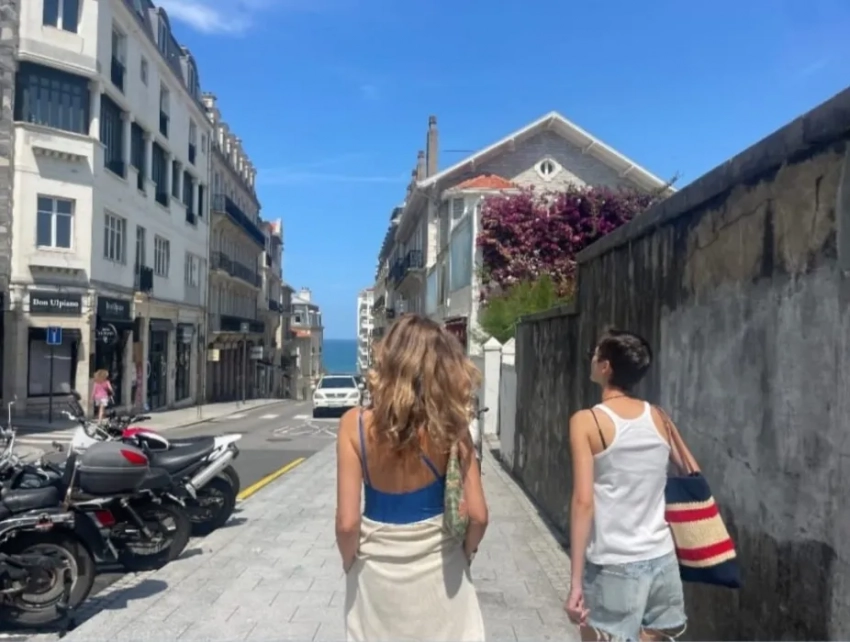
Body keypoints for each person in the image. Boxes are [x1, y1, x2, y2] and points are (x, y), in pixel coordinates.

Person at [336, 314, 488, 642]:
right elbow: (478, 516)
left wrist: (351, 565)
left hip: (377, 578)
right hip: (442, 574)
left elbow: (347, 524)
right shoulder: (452, 427)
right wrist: (463, 555)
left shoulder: (354, 425)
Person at [565, 328, 699, 641]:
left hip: (613, 562)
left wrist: (575, 582)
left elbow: (583, 502)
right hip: (661, 557)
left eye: (595, 355)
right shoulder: (659, 417)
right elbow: (692, 471)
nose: (591, 360)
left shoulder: (587, 421)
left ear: (605, 367)